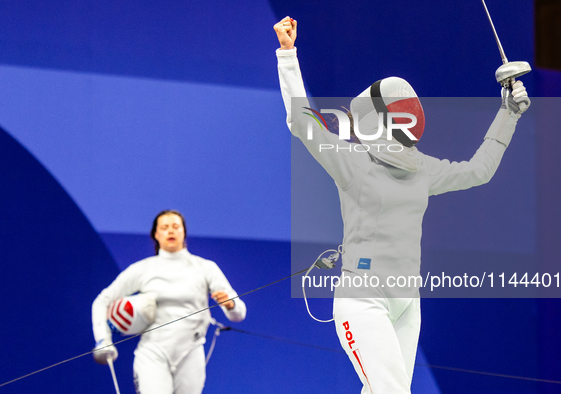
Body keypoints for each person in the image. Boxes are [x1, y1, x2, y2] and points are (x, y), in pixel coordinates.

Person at [273, 16, 530, 394]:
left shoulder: (422, 168)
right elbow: (301, 121)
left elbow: (480, 171)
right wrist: (287, 54)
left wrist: (508, 113)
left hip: (408, 302)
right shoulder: (352, 161)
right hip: (362, 300)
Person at [91, 210, 246, 394]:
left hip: (191, 353)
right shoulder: (144, 268)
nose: (170, 231)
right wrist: (103, 339)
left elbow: (239, 313)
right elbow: (102, 301)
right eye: (164, 228)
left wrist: (230, 304)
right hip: (152, 354)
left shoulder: (205, 267)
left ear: (184, 232)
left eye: (175, 227)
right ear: (156, 234)